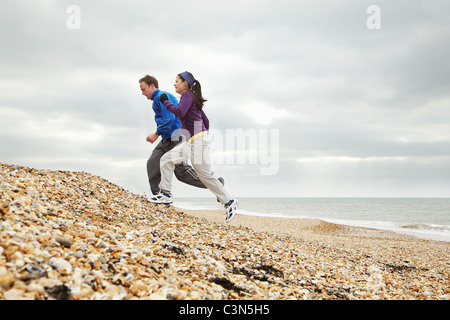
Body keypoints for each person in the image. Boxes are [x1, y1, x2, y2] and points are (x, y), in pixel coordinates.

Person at [149, 71, 238, 223]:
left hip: (198, 141)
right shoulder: (192, 99)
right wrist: (200, 134)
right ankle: (165, 193)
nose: (174, 84)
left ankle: (229, 201)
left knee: (204, 175)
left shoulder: (188, 95)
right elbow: (206, 121)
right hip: (193, 141)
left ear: (185, 83)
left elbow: (179, 111)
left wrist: (165, 102)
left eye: (177, 81)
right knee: (166, 159)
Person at [139, 75, 213, 196]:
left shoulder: (161, 97)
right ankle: (159, 195)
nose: (142, 93)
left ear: (152, 86)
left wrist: (156, 134)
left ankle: (216, 183)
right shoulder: (156, 100)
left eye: (143, 89)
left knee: (182, 172)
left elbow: (170, 118)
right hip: (166, 139)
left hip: (176, 137)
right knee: (153, 163)